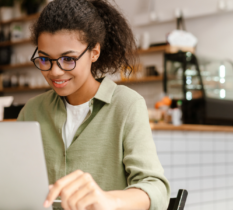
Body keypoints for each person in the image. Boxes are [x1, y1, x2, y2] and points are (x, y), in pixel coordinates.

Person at [17, 0, 170, 209]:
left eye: (68, 59)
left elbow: (156, 188)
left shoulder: (126, 105)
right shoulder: (32, 111)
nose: (54, 71)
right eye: (45, 59)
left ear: (94, 52)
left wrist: (110, 200)